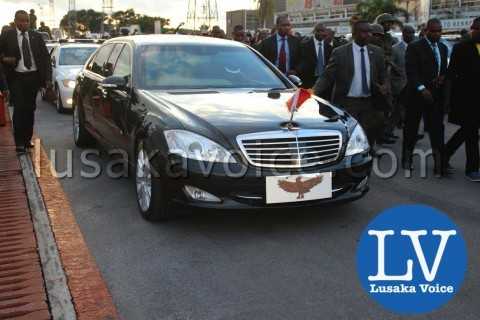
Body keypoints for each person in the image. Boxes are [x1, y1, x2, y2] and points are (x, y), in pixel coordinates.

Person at [313, 20, 387, 147]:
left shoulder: (377, 52)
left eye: (370, 32)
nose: (368, 35)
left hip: (370, 102)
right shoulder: (340, 52)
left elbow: (383, 75)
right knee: (350, 136)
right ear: (354, 34)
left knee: (369, 134)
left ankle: (366, 156)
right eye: (364, 32)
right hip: (348, 102)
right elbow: (327, 76)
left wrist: (385, 86)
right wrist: (312, 92)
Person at [0, 10, 52, 154]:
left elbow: (45, 58)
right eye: (21, 20)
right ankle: (19, 143)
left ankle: (27, 139)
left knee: (30, 109)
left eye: (27, 21)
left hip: (33, 77)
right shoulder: (7, 36)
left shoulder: (36, 36)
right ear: (15, 21)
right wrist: (5, 60)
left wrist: (47, 79)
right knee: (19, 109)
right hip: (16, 77)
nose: (24, 23)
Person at [402, 18, 449, 177]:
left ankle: (439, 164)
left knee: (437, 130)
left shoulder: (443, 47)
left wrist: (442, 77)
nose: (437, 34)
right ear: (426, 31)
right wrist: (422, 88)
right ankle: (406, 160)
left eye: (439, 31)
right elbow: (411, 72)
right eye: (434, 31)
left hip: (435, 96)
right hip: (416, 95)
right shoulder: (415, 47)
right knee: (411, 129)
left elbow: (442, 68)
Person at [444, 17, 480, 181]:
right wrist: (448, 100)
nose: (475, 31)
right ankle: (472, 169)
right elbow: (451, 75)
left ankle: (443, 155)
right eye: (475, 29)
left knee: (466, 132)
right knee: (470, 132)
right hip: (466, 100)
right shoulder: (461, 48)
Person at [391, 25, 416, 129]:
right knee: (397, 110)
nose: (411, 35)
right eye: (409, 33)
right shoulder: (395, 49)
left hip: (413, 84)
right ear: (404, 34)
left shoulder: (416, 47)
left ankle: (410, 129)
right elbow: (390, 64)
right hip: (400, 84)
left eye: (413, 33)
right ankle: (389, 131)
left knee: (410, 109)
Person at [298, 23, 333, 89]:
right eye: (318, 30)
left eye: (322, 31)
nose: (320, 33)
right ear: (314, 31)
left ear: (326, 32)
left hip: (325, 81)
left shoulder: (329, 47)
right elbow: (301, 62)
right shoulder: (304, 46)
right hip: (308, 81)